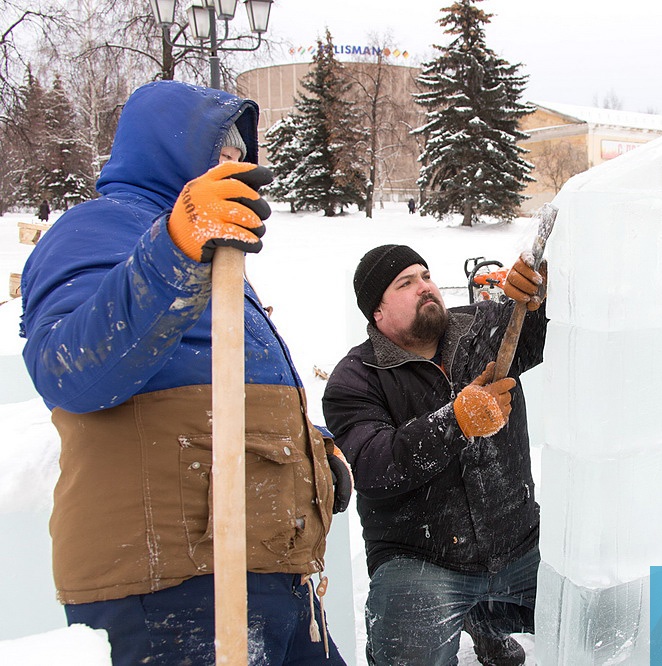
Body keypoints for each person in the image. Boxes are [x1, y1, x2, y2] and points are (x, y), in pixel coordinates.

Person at [19, 80, 352, 665]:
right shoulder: (97, 228)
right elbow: (68, 370)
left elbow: (215, 378)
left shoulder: (211, 248)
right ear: (167, 147)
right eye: (218, 146)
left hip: (264, 570)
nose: (235, 162)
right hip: (172, 586)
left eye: (240, 150)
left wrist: (309, 454)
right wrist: (175, 245)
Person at [322, 244, 548, 666]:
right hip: (423, 559)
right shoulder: (354, 379)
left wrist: (540, 297)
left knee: (607, 612)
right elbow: (373, 466)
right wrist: (455, 421)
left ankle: (483, 619)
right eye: (405, 283)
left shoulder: (479, 328)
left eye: (425, 276)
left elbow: (543, 332)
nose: (424, 287)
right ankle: (472, 614)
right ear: (378, 313)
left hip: (519, 543)